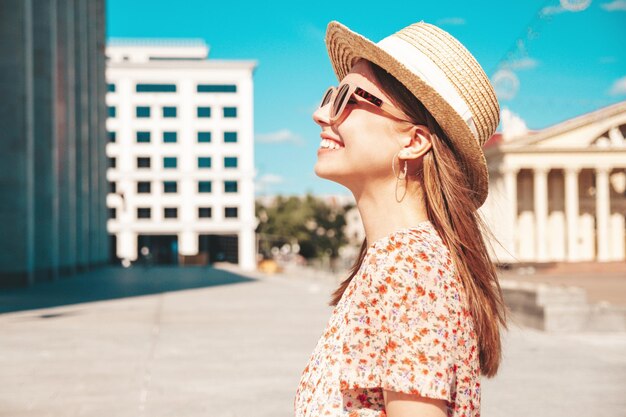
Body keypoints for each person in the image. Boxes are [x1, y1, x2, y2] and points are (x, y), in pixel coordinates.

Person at [294, 20, 509, 417]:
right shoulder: (393, 262)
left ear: (413, 142)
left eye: (347, 99)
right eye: (329, 96)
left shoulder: (410, 269)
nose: (321, 113)